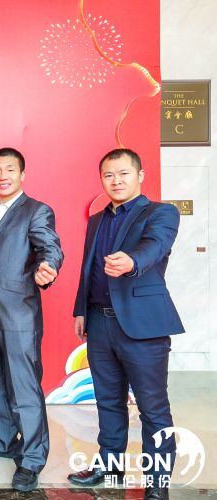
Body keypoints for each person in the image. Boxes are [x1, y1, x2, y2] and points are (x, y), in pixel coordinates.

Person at [68, 149, 183, 500]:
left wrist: (132, 261)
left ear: (140, 175)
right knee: (108, 402)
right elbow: (88, 268)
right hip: (99, 324)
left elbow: (155, 246)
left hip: (142, 327)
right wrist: (80, 310)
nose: (116, 181)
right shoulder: (97, 220)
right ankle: (111, 467)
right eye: (108, 175)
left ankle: (157, 483)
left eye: (123, 173)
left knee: (153, 409)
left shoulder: (161, 212)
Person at [0, 147, 63, 491]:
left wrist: (48, 267)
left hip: (20, 313)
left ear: (22, 174)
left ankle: (32, 459)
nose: (2, 175)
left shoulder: (36, 210)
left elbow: (50, 249)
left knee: (24, 388)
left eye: (9, 169)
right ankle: (4, 439)